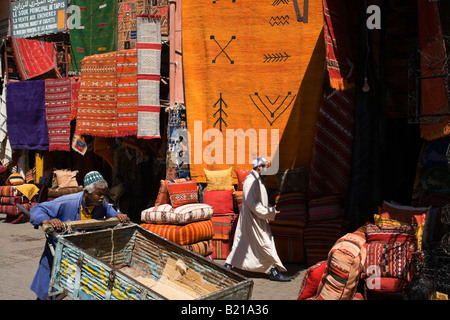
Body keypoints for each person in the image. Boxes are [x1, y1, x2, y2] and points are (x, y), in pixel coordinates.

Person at [29, 171, 128, 300]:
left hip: (81, 251)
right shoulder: (67, 201)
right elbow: (37, 209)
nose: (103, 197)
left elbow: (109, 210)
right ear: (86, 193)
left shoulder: (100, 203)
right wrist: (46, 221)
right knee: (48, 289)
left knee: (75, 285)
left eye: (104, 194)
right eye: (99, 194)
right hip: (58, 251)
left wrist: (116, 215)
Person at [224, 156, 291, 282]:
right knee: (265, 243)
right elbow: (252, 204)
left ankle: (228, 266)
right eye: (266, 167)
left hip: (254, 218)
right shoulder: (251, 181)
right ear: (259, 167)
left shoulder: (256, 179)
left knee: (243, 244)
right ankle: (273, 271)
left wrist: (270, 209)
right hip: (253, 219)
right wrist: (269, 212)